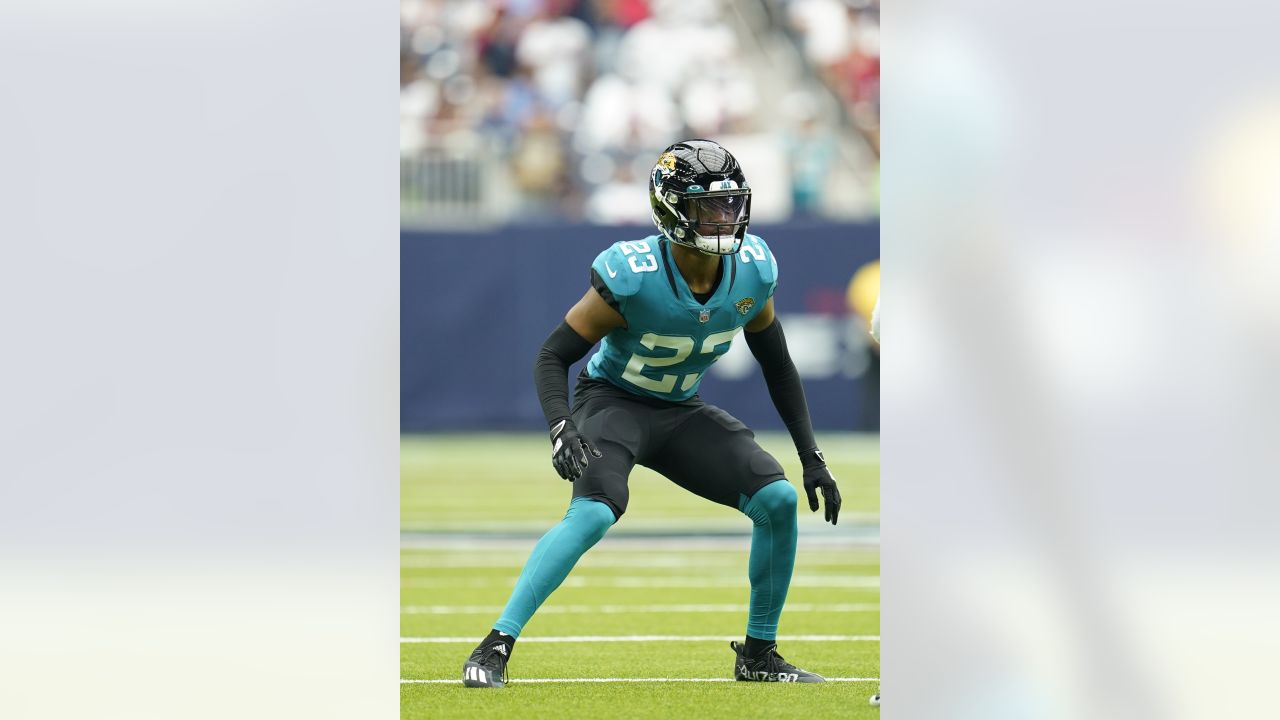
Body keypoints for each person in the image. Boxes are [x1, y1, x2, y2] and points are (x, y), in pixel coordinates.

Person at [461, 139, 842, 688]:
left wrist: (811, 456)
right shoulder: (634, 273)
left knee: (778, 500)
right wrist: (561, 424)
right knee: (593, 513)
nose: (725, 218)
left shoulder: (754, 269)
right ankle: (496, 643)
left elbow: (778, 365)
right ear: (671, 209)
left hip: (679, 410)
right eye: (709, 206)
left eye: (732, 204)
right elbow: (554, 354)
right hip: (613, 403)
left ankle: (759, 655)